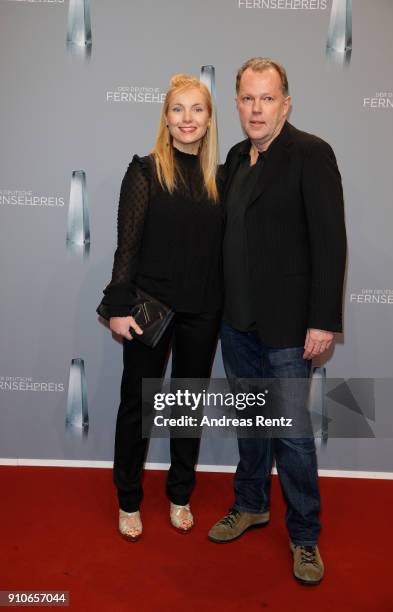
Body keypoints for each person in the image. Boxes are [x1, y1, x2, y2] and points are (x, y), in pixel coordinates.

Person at [208, 58, 347, 585]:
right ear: (237, 103)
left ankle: (305, 535)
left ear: (285, 103)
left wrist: (323, 321)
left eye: (267, 99)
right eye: (247, 98)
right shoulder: (236, 158)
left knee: (289, 434)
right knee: (250, 423)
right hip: (236, 323)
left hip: (291, 327)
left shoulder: (311, 154)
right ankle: (251, 504)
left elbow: (331, 242)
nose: (256, 109)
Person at [99, 74, 222, 541]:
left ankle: (180, 494)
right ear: (166, 118)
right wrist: (117, 304)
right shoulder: (145, 170)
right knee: (139, 405)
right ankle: (129, 499)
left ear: (209, 120)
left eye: (196, 109)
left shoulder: (221, 177)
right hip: (149, 306)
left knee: (187, 407)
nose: (187, 118)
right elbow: (126, 248)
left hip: (204, 309)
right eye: (178, 109)